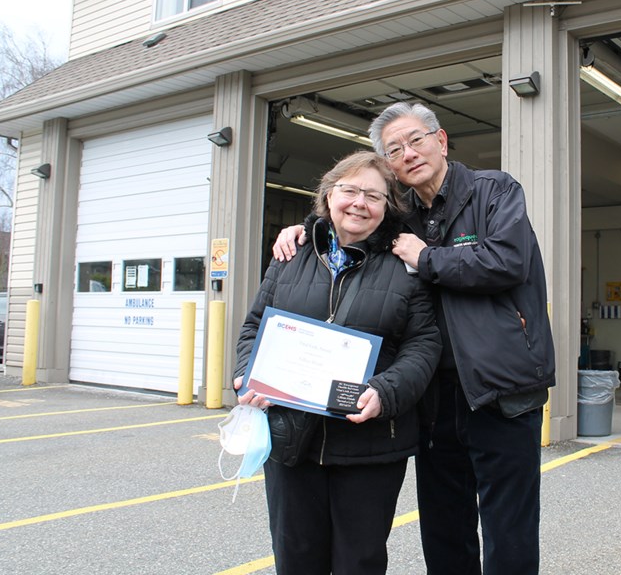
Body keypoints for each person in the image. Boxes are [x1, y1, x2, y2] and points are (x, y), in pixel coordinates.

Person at [273, 102, 557, 575]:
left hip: (502, 392)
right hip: (434, 398)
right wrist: (301, 232)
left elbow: (509, 261)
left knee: (510, 530)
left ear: (440, 141)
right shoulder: (400, 216)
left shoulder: (494, 191)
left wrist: (427, 259)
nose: (408, 153)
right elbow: (349, 220)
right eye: (394, 150)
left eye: (416, 140)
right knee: (445, 527)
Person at [234, 150, 441, 575]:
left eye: (374, 196)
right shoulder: (290, 255)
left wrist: (386, 392)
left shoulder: (405, 266)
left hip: (370, 445)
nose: (359, 203)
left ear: (388, 208)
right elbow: (255, 326)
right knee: (296, 558)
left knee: (359, 562)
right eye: (349, 190)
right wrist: (245, 375)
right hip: (292, 440)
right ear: (329, 195)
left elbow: (423, 344)